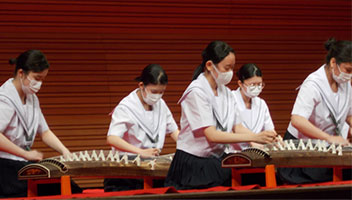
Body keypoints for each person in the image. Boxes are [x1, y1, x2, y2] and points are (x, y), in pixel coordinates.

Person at [164, 40, 277, 190]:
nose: (230, 72)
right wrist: (254, 137)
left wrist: (264, 137)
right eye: (227, 67)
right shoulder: (196, 92)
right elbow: (212, 135)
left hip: (216, 158)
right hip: (194, 163)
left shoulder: (227, 93)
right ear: (210, 65)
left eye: (232, 67)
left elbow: (237, 127)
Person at [0, 50, 80, 197]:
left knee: (70, 187)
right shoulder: (4, 98)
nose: (39, 84)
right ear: (21, 73)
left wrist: (65, 151)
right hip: (5, 165)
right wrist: (25, 153)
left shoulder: (32, 98)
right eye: (37, 78)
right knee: (55, 186)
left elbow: (45, 132)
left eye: (43, 79)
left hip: (21, 163)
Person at [278, 38, 352, 184]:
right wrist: (328, 138)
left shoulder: (346, 84)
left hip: (329, 147)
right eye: (348, 70)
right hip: (302, 150)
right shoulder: (313, 84)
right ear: (333, 63)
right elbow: (297, 120)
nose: (350, 75)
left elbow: (349, 115)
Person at [104, 64, 179, 191]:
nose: (158, 96)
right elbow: (112, 138)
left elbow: (174, 131)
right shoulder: (126, 106)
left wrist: (186, 149)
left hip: (152, 167)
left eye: (162, 92)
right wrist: (140, 152)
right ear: (141, 86)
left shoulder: (161, 104)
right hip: (127, 170)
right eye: (154, 92)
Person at [232, 63, 276, 150]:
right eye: (252, 85)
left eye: (259, 84)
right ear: (240, 83)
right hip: (234, 152)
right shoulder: (230, 99)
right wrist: (253, 140)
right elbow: (235, 127)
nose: (256, 88)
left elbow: (269, 130)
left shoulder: (261, 103)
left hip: (258, 152)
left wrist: (275, 138)